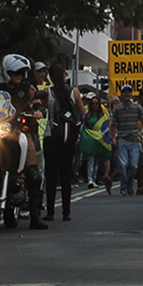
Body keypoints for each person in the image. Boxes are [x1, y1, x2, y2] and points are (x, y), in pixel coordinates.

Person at [0, 53, 48, 229]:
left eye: (20, 72)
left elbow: (37, 100)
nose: (18, 76)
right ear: (7, 73)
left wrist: (38, 109)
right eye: (14, 73)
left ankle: (35, 217)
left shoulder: (28, 89)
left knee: (33, 175)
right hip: (1, 130)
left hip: (21, 130)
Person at [43, 64, 84, 221]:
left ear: (51, 77)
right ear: (64, 75)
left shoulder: (48, 93)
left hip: (51, 136)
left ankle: (50, 211)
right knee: (66, 175)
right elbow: (82, 112)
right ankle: (66, 212)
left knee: (51, 175)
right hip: (68, 137)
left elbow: (42, 109)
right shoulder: (74, 92)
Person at [109, 84, 143, 196]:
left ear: (131, 94)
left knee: (134, 166)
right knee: (123, 165)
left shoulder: (137, 108)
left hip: (134, 140)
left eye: (128, 92)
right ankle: (123, 187)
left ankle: (129, 184)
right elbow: (113, 124)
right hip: (122, 140)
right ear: (121, 95)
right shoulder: (117, 109)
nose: (126, 94)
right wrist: (114, 138)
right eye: (124, 92)